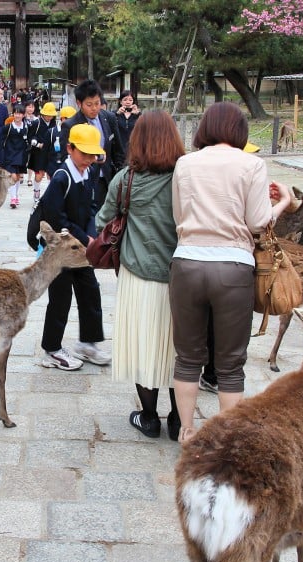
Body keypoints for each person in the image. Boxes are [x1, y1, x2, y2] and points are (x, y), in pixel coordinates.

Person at [169, 102, 292, 442]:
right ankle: (225, 438)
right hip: (234, 266)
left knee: (188, 356)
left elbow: (179, 216)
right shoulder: (252, 164)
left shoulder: (185, 163)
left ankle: (187, 430)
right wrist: (282, 203)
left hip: (187, 262)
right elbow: (256, 222)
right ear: (240, 131)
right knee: (229, 363)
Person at [99, 111, 185, 440]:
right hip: (179, 277)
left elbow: (103, 221)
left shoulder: (126, 179)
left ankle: (148, 417)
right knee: (181, 350)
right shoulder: (184, 178)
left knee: (142, 346)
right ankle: (179, 418)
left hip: (138, 278)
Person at [35, 124, 110, 371]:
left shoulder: (88, 174)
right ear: (70, 148)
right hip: (61, 250)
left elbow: (90, 208)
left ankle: (88, 343)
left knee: (91, 290)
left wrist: (90, 235)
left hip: (79, 249)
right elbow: (58, 220)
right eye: (84, 154)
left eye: (92, 155)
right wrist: (85, 239)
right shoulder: (61, 177)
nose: (89, 160)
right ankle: (52, 348)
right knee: (61, 297)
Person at [61, 80, 123, 201]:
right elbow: (66, 157)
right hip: (83, 181)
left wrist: (120, 177)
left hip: (107, 181)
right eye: (89, 105)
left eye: (97, 103)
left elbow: (118, 151)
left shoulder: (109, 118)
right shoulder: (70, 125)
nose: (94, 108)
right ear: (79, 103)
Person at [0, 103, 30, 208]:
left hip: (21, 155)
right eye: (16, 113)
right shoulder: (8, 127)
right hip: (10, 154)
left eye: (20, 114)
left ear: (23, 115)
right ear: (13, 114)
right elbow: (1, 140)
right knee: (13, 175)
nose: (17, 116)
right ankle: (13, 198)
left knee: (17, 177)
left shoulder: (26, 127)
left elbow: (29, 140)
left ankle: (15, 196)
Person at [27, 102, 58, 203]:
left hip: (50, 153)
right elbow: (30, 137)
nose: (49, 117)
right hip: (39, 153)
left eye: (51, 115)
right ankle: (36, 192)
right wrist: (37, 144)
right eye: (47, 114)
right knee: (39, 175)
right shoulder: (37, 123)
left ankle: (50, 195)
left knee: (51, 174)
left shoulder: (54, 124)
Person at [113, 89, 140, 161]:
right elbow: (109, 126)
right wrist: (117, 114)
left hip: (134, 148)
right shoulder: (115, 114)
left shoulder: (138, 115)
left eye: (130, 100)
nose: (128, 102)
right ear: (120, 101)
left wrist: (137, 115)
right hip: (119, 148)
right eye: (125, 100)